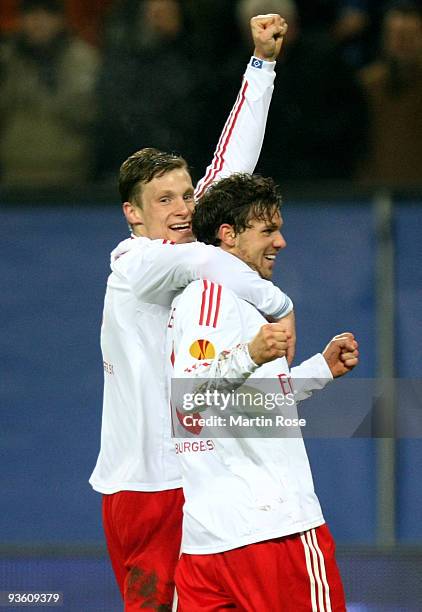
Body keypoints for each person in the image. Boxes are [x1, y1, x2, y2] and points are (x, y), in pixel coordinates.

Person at [89, 14, 296, 611]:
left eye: (186, 194)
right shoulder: (137, 261)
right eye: (164, 200)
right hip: (147, 485)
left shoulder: (184, 243)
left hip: (193, 477)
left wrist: (261, 64)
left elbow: (233, 162)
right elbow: (209, 264)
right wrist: (277, 303)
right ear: (132, 212)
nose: (182, 208)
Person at [168, 173, 359, 611]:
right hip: (274, 532)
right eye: (269, 230)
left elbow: (238, 405)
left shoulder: (212, 299)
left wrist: (318, 372)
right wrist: (249, 355)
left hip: (210, 544)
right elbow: (191, 401)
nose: (282, 242)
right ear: (228, 235)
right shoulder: (213, 296)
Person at [0, 0, 99, 186]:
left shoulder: (83, 59)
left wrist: (54, 81)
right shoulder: (7, 60)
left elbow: (90, 115)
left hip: (71, 173)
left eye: (47, 14)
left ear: (61, 20)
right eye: (31, 14)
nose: (39, 21)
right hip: (13, 172)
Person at [357, 1, 422, 185]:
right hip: (374, 191)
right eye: (397, 36)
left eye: (410, 36)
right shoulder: (368, 84)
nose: (403, 44)